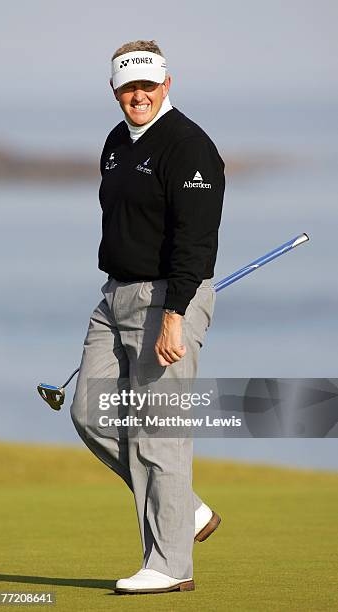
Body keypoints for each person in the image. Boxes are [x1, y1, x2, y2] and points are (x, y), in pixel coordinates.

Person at [70, 39, 225, 595]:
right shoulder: (116, 141)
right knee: (89, 414)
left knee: (160, 434)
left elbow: (196, 240)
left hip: (167, 301)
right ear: (115, 89)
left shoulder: (190, 147)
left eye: (147, 86)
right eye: (127, 87)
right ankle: (186, 507)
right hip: (114, 297)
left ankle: (169, 565)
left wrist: (176, 314)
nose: (137, 95)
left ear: (167, 84)